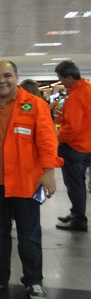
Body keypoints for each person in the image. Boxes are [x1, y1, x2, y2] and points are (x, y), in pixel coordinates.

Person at [0, 60, 61, 299]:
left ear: (16, 77)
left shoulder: (35, 105)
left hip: (25, 182)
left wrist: (49, 172)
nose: (2, 81)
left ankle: (33, 281)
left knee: (29, 234)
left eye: (7, 75)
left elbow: (48, 141)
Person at [54, 61, 91, 232]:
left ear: (69, 77)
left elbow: (72, 127)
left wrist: (59, 139)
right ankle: (76, 212)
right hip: (87, 145)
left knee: (75, 184)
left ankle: (78, 219)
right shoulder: (88, 89)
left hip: (75, 147)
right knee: (80, 183)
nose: (60, 82)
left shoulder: (76, 96)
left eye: (61, 78)